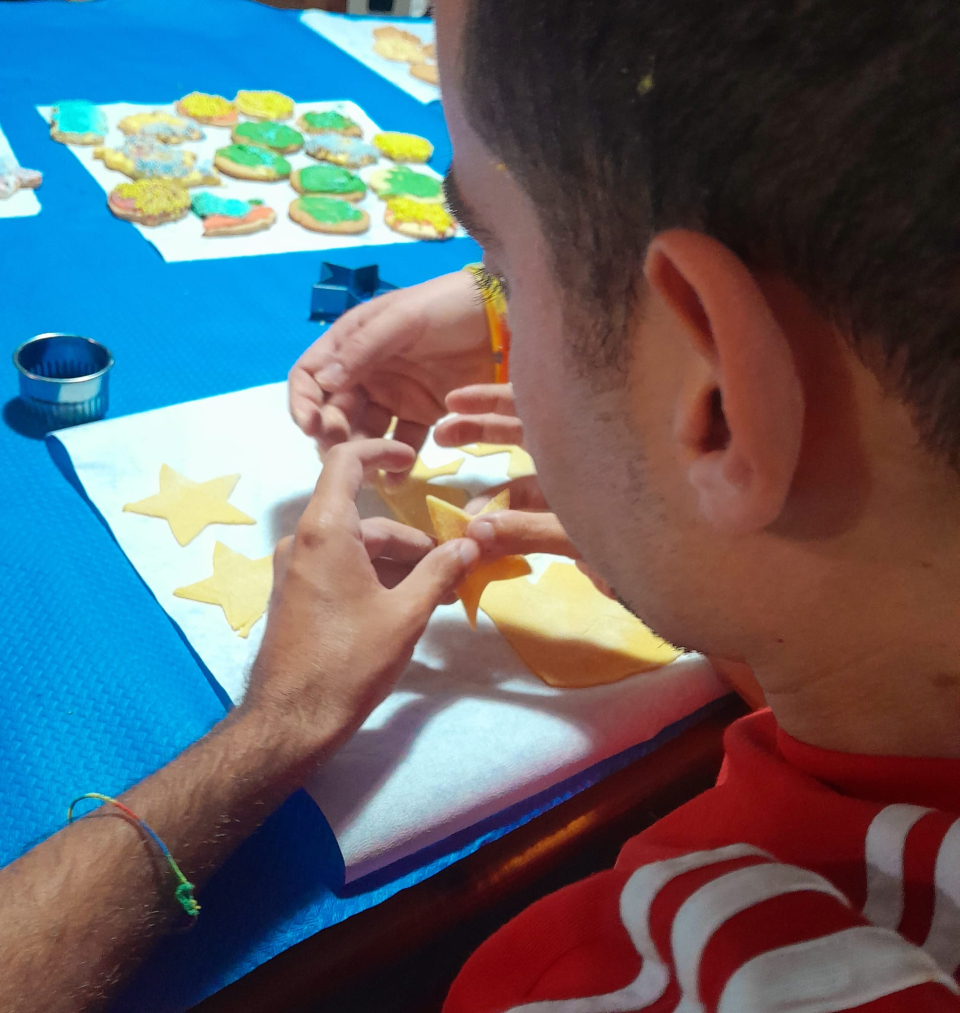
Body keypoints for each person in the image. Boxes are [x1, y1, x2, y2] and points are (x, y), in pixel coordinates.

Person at [6, 0, 960, 1009]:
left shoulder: (652, 973)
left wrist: (279, 722)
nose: (492, 315)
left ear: (717, 408)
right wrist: (654, 467)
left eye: (499, 268)